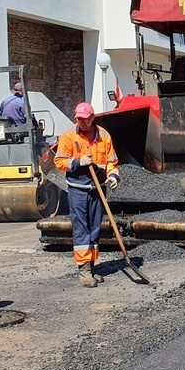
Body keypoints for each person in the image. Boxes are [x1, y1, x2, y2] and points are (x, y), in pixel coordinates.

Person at [53, 102, 120, 288]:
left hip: (97, 189)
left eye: (84, 119)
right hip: (78, 190)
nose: (81, 122)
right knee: (81, 228)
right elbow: (59, 161)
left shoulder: (104, 136)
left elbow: (112, 162)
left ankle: (91, 266)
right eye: (78, 119)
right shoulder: (68, 136)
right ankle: (84, 272)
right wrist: (77, 162)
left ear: (92, 118)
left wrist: (113, 176)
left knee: (95, 228)